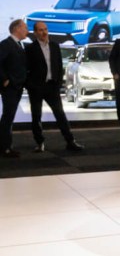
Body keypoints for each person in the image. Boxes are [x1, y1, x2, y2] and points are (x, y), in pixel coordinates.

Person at [25, 21, 83, 153]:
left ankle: (70, 141)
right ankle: (40, 143)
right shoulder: (30, 49)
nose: (44, 32)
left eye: (45, 29)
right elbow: (26, 68)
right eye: (40, 30)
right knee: (36, 116)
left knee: (60, 114)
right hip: (36, 87)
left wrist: (58, 83)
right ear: (35, 33)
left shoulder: (55, 46)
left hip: (52, 86)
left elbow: (59, 65)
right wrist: (29, 85)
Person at [0, 19, 29, 158]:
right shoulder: (6, 44)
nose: (27, 31)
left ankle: (6, 145)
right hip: (10, 87)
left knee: (9, 117)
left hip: (17, 86)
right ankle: (5, 147)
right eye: (25, 27)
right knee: (7, 117)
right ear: (17, 28)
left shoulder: (19, 44)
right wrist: (5, 80)